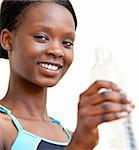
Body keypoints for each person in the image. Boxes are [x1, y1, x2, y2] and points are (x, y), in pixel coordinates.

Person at [0, 0, 134, 150]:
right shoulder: (3, 129)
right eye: (42, 37)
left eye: (67, 42)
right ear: (7, 39)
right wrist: (80, 146)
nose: (57, 51)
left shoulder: (71, 136)